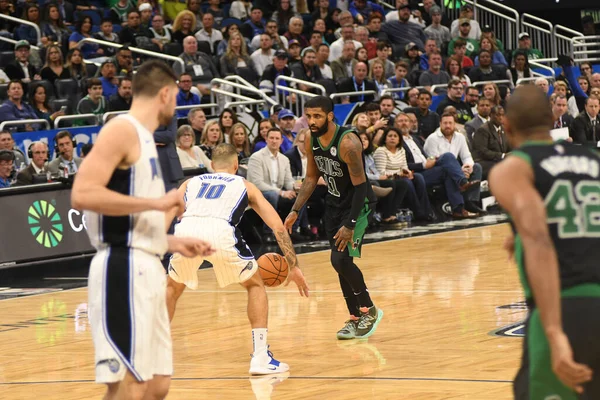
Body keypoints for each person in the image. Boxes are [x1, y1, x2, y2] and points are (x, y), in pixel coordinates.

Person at [71, 60, 215, 400]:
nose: (177, 106)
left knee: (156, 386)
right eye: (176, 97)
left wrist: (173, 241)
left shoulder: (148, 141)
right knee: (127, 387)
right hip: (122, 267)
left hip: (148, 264)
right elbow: (82, 193)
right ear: (165, 94)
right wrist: (157, 204)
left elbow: (129, 219)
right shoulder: (122, 129)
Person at [489, 85, 598, 400]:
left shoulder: (514, 167)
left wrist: (553, 330)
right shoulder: (592, 157)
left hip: (567, 308)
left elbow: (538, 238)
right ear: (553, 119)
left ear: (506, 126)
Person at [166, 143, 309, 375]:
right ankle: (260, 356)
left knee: (171, 288)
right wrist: (293, 265)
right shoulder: (245, 185)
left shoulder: (190, 182)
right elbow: (277, 227)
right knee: (255, 284)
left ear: (212, 166)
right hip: (220, 231)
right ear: (236, 165)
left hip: (186, 230)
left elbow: (167, 212)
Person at [284, 96, 383, 340]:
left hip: (356, 206)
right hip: (334, 203)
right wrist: (296, 210)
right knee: (339, 264)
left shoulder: (348, 142)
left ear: (330, 116)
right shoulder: (309, 137)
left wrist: (350, 224)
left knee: (340, 260)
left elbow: (361, 187)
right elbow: (310, 178)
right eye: (308, 116)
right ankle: (354, 317)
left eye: (317, 116)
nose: (312, 121)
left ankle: (369, 310)